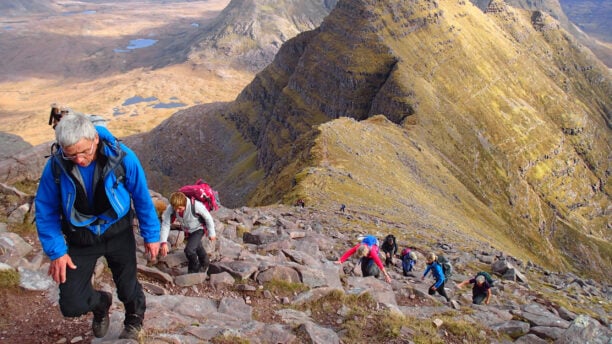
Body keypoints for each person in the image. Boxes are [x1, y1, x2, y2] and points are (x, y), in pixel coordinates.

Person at [35, 114, 160, 341]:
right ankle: (102, 304)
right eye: (71, 154)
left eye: (85, 152)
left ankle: (134, 319)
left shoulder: (123, 157)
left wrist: (152, 235)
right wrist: (57, 251)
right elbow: (45, 210)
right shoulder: (55, 167)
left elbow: (142, 197)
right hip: (80, 237)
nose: (79, 160)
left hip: (118, 232)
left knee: (127, 286)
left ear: (94, 139)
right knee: (71, 304)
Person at [159, 192, 216, 273]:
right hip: (188, 230)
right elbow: (165, 224)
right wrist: (163, 242)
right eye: (175, 209)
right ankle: (205, 262)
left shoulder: (196, 206)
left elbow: (208, 218)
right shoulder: (171, 208)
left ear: (185, 203)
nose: (177, 211)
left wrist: (212, 233)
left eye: (180, 209)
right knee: (197, 245)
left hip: (199, 228)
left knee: (189, 250)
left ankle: (194, 269)